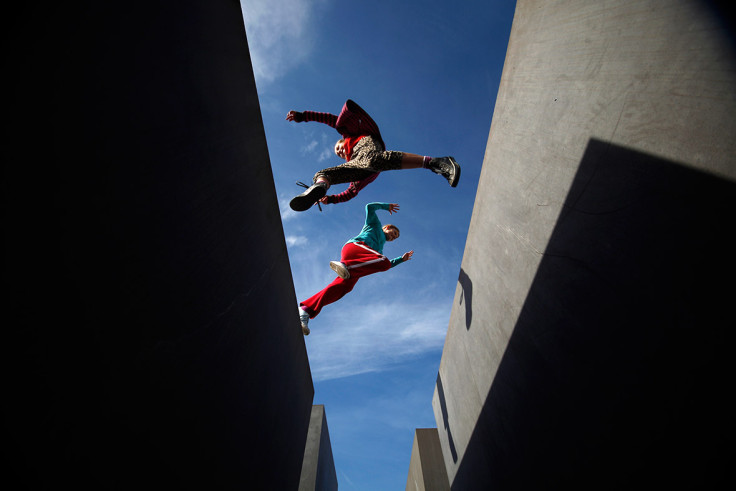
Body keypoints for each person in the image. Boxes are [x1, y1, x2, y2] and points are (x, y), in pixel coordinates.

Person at [286, 99, 461, 211]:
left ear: (340, 142)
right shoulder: (350, 163)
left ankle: (435, 162)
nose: (340, 151)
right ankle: (320, 186)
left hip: (367, 144)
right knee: (324, 173)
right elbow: (350, 192)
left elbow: (328, 119)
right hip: (361, 165)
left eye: (338, 148)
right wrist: (330, 199)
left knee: (371, 160)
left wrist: (303, 116)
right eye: (339, 154)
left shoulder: (348, 135)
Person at [298, 202, 414, 335]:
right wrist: (385, 206)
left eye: (395, 238)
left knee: (344, 288)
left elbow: (386, 265)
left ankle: (306, 310)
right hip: (354, 248)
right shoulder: (374, 225)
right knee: (383, 261)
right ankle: (347, 267)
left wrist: (401, 259)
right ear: (386, 227)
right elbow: (369, 207)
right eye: (393, 233)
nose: (393, 237)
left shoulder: (379, 250)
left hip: (359, 263)